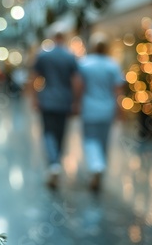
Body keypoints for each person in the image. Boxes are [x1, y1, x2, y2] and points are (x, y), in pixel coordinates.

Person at [32, 31, 81, 189]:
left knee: (48, 132)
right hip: (64, 100)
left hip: (47, 100)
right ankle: (56, 161)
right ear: (64, 38)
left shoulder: (44, 55)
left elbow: (34, 77)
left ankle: (53, 163)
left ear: (53, 38)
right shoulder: (70, 56)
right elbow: (75, 80)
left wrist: (35, 98)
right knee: (61, 133)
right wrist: (75, 101)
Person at [77, 32, 124, 192]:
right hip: (107, 108)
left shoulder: (84, 64)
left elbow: (79, 87)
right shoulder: (113, 65)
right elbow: (118, 90)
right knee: (103, 141)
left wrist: (76, 103)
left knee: (90, 139)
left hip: (89, 107)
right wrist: (120, 109)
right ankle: (99, 166)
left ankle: (96, 165)